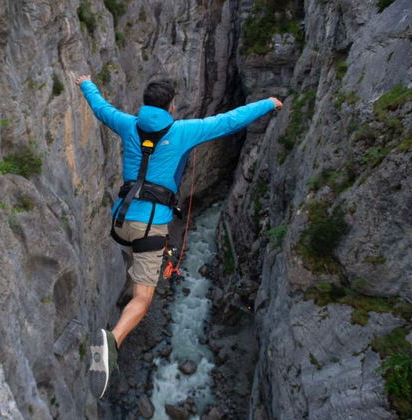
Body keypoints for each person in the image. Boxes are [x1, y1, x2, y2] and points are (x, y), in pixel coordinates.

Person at [75, 74, 282, 399]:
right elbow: (229, 120)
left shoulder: (127, 124)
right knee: (143, 301)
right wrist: (268, 103)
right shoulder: (182, 131)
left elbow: (101, 108)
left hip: (120, 222)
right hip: (150, 227)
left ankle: (131, 281)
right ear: (171, 106)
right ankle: (109, 343)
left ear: (145, 103)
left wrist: (86, 83)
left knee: (136, 259)